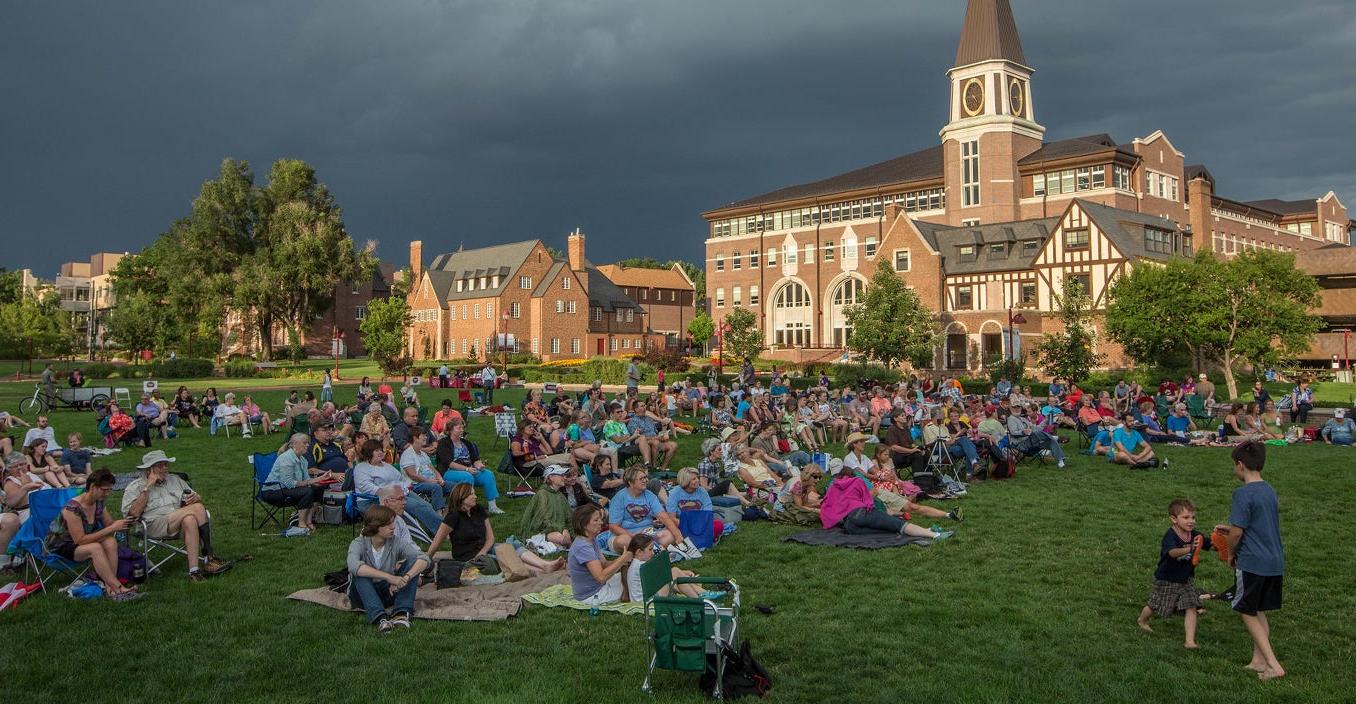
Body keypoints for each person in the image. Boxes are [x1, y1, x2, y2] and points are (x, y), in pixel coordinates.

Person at [1219, 441, 1286, 681]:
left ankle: (1273, 665)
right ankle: (1258, 661)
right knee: (1257, 610)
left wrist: (1230, 553)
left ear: (1240, 465)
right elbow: (1257, 525)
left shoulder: (1242, 493)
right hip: (1274, 561)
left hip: (1252, 561)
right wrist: (1230, 528)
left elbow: (1237, 534)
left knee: (1245, 610)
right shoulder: (1269, 489)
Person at [121, 450, 231, 583]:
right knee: (198, 508)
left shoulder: (175, 480)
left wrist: (196, 497)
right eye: (160, 465)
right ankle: (209, 557)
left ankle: (194, 572)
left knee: (190, 519)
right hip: (152, 525)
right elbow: (132, 516)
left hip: (177, 522)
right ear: (149, 469)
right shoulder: (135, 487)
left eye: (166, 464)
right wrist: (147, 487)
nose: (165, 468)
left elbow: (195, 497)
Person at [45, 469, 145, 601]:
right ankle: (119, 589)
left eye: (109, 490)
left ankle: (111, 588)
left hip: (83, 541)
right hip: (61, 545)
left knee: (111, 542)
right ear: (92, 487)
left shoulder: (98, 502)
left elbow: (110, 524)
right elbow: (80, 540)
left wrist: (126, 522)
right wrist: (112, 528)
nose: (108, 493)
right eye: (105, 490)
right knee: (95, 548)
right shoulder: (72, 508)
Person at [425, 483, 562, 575]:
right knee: (502, 557)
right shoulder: (453, 516)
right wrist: (426, 560)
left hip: (485, 548)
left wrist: (483, 551)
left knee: (511, 545)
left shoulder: (478, 510)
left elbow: (490, 537)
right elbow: (438, 539)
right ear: (462, 497)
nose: (475, 496)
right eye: (471, 494)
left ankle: (544, 564)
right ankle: (540, 570)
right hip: (467, 554)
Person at [1137, 499, 1214, 649]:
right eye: (1186, 518)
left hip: (1186, 579)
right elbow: (1172, 553)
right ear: (1173, 519)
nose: (1191, 521)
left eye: (1193, 517)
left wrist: (1222, 542)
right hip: (1166, 578)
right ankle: (1142, 620)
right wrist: (1190, 549)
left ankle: (1189, 641)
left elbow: (1210, 544)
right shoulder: (1170, 535)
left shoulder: (1195, 535)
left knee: (1191, 605)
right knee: (1155, 604)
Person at [347, 505, 429, 632]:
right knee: (360, 573)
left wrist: (405, 579)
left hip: (388, 592)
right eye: (388, 524)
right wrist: (390, 578)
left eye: (393, 523)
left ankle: (401, 613)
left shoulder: (395, 542)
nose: (393, 527)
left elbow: (423, 558)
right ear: (376, 526)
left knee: (414, 563)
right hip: (362, 595)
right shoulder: (359, 543)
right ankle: (380, 618)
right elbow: (352, 566)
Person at [819, 469, 953, 540]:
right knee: (900, 525)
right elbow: (869, 499)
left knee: (886, 532)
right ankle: (935, 535)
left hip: (849, 525)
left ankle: (928, 531)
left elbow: (825, 508)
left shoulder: (833, 488)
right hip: (861, 513)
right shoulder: (856, 481)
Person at [351, 439, 443, 534]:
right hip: (373, 500)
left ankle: (440, 527)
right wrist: (388, 493)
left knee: (426, 505)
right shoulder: (361, 468)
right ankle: (441, 531)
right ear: (369, 453)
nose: (381, 452)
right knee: (416, 506)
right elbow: (366, 487)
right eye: (376, 450)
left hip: (398, 494)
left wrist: (403, 490)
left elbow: (400, 479)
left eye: (381, 450)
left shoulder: (387, 466)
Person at [604, 467, 695, 559]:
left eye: (645, 477)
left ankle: (644, 552)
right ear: (630, 483)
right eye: (641, 479)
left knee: (669, 536)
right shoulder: (619, 498)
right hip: (626, 534)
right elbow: (613, 527)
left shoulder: (649, 495)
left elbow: (663, 516)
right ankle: (650, 551)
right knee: (623, 541)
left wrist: (677, 535)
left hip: (647, 534)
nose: (646, 480)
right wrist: (633, 537)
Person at [261, 433, 330, 536]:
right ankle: (301, 523)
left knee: (318, 488)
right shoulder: (286, 458)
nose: (307, 445)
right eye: (305, 443)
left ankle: (309, 521)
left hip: (288, 489)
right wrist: (312, 482)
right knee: (307, 491)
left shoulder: (303, 460)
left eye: (308, 443)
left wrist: (320, 479)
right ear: (294, 444)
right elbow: (288, 483)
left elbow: (306, 479)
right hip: (273, 491)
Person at [567, 504, 634, 604]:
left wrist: (622, 561)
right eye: (596, 520)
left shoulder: (590, 539)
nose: (601, 522)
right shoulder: (583, 547)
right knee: (634, 584)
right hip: (592, 595)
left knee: (632, 577)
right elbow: (601, 577)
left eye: (600, 519)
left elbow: (604, 564)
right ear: (584, 524)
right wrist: (622, 560)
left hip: (598, 587)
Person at [435, 418, 503, 514]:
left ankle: (493, 506)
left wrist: (479, 465)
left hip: (469, 469)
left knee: (488, 475)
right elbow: (449, 462)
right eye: (459, 428)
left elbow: (475, 459)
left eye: (462, 428)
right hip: (449, 471)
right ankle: (469, 507)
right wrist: (467, 469)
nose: (462, 430)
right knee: (467, 476)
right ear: (450, 430)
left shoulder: (466, 443)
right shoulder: (443, 443)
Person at [624, 533, 705, 602]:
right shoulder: (640, 566)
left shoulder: (639, 563)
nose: (652, 553)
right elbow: (664, 574)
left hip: (649, 595)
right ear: (639, 552)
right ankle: (700, 598)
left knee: (675, 575)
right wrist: (664, 556)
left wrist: (683, 572)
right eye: (650, 549)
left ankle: (701, 596)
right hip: (646, 601)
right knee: (674, 573)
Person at [520, 465, 574, 548]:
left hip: (560, 529)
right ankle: (545, 540)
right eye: (560, 475)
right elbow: (543, 519)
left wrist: (566, 529)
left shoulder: (560, 495)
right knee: (563, 539)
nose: (564, 478)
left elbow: (568, 516)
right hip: (544, 531)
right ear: (551, 477)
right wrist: (561, 529)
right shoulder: (542, 494)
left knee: (568, 538)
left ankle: (556, 545)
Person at [398, 427, 445, 513]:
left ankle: (456, 511)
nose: (426, 437)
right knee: (436, 487)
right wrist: (430, 481)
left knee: (453, 486)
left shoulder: (423, 453)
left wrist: (440, 478)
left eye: (426, 435)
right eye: (423, 435)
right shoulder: (407, 454)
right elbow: (412, 475)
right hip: (415, 484)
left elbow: (433, 469)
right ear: (415, 438)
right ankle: (437, 514)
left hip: (431, 481)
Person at [1007, 404, 1067, 469]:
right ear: (1010, 409)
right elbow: (1013, 433)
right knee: (1035, 433)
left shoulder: (1023, 419)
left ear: (1021, 409)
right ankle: (1056, 438)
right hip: (1021, 444)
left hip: (1032, 443)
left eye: (1018, 408)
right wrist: (1023, 432)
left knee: (1051, 441)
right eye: (1014, 408)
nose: (1017, 409)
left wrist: (1045, 421)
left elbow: (1036, 429)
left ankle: (1061, 462)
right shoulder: (1011, 419)